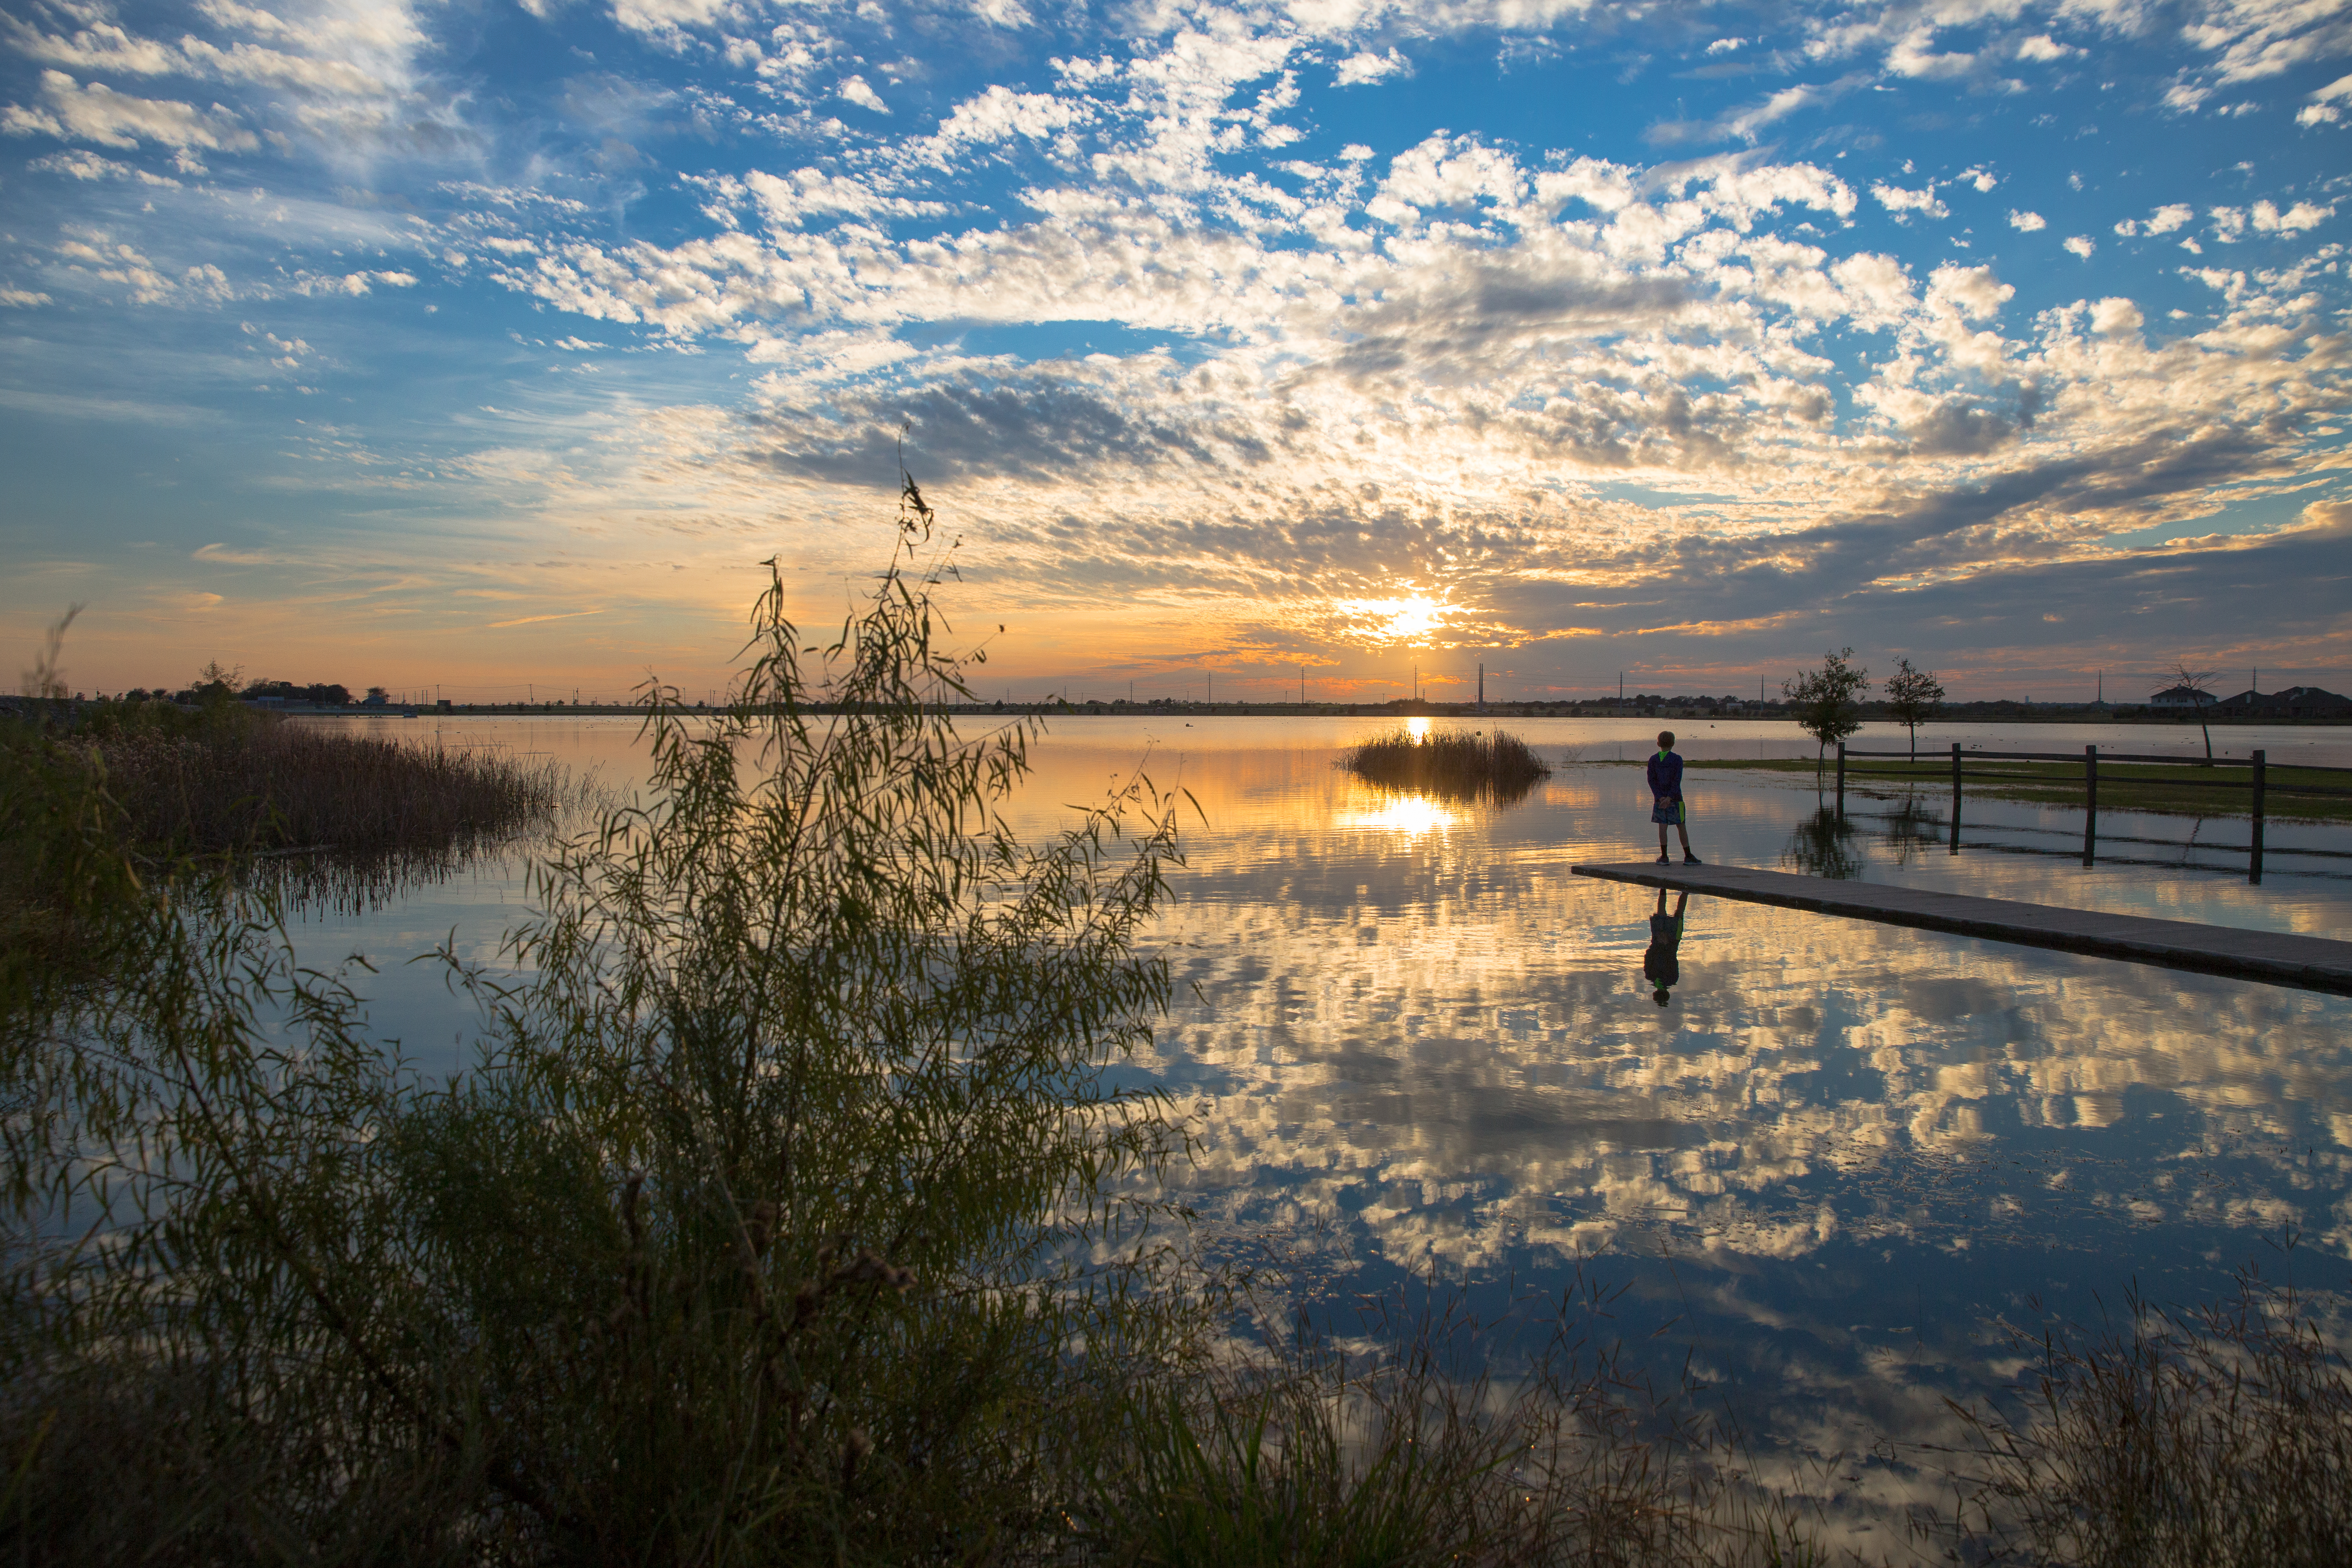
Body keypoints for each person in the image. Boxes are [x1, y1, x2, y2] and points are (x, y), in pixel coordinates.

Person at [1647, 730, 1700, 865]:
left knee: (1662, 826)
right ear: (1673, 744)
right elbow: (1677, 781)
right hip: (1676, 798)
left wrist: (1660, 798)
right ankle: (1688, 856)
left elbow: (1651, 780)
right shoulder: (1677, 759)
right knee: (1681, 826)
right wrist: (1670, 798)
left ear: (1658, 743)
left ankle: (1664, 857)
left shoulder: (1653, 759)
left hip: (1660, 800)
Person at [1643, 887, 1686, 1006]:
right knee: (1661, 912)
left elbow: (1673, 960)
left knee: (1679, 913)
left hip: (1673, 943)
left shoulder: (1673, 980)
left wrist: (1667, 945)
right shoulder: (1650, 976)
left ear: (1667, 994)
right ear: (1654, 993)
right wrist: (1658, 945)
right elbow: (1648, 957)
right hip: (1658, 941)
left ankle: (1685, 891)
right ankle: (1663, 887)